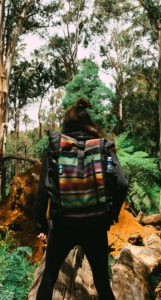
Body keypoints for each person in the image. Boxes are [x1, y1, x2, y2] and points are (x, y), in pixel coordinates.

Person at [35, 98, 128, 300]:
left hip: (62, 225)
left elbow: (43, 188)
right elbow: (122, 184)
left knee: (49, 277)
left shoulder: (56, 147)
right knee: (102, 282)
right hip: (95, 224)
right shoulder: (103, 147)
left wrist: (41, 225)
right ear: (89, 123)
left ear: (66, 124)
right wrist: (111, 215)